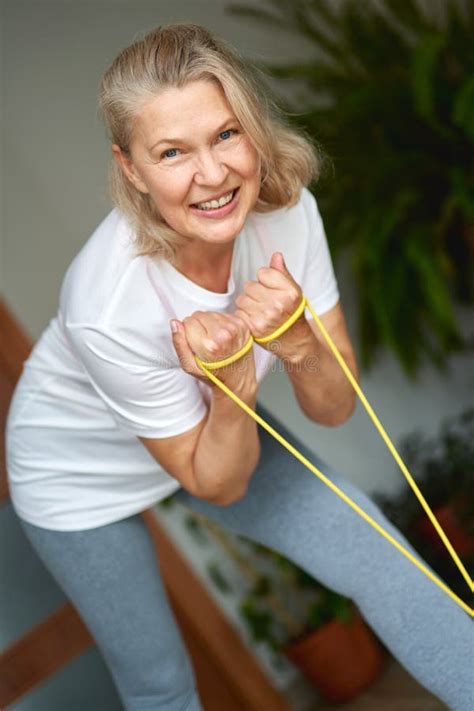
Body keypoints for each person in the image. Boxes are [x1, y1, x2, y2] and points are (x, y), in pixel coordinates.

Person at [6, 23, 472, 711]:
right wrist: (230, 385)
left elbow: (336, 404)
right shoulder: (107, 303)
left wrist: (301, 342)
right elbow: (215, 482)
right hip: (76, 477)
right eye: (172, 152)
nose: (214, 174)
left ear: (252, 126)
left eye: (226, 134)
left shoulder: (288, 215)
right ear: (130, 168)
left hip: (210, 437)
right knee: (159, 683)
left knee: (379, 551)